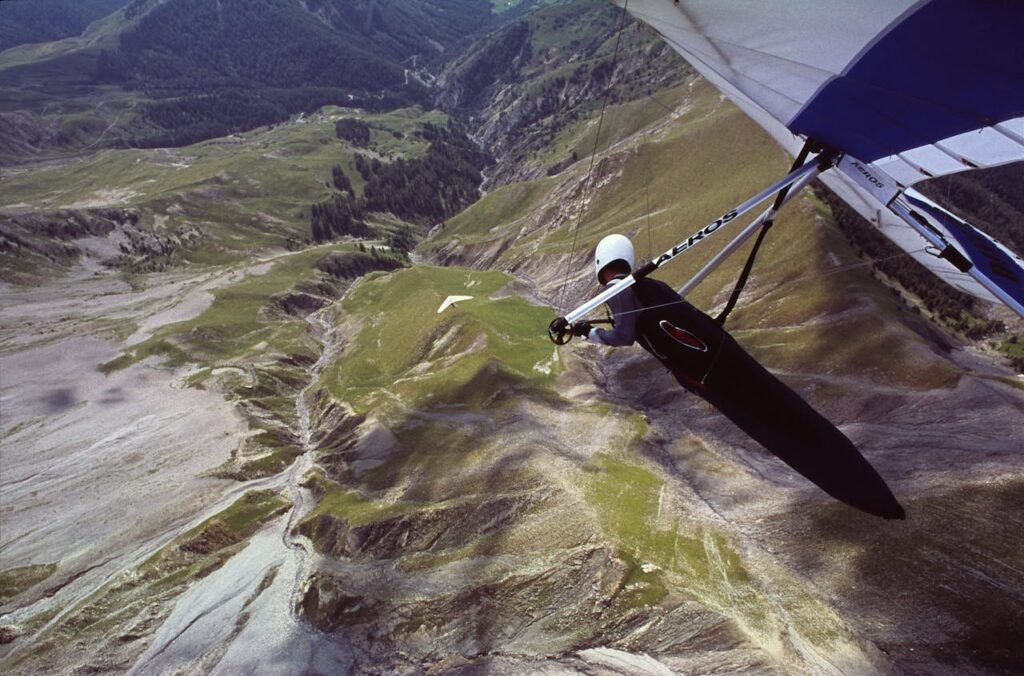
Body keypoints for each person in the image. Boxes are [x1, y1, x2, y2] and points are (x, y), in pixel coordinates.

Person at [572, 234, 905, 519]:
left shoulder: (619, 289)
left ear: (602, 265)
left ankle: (862, 492)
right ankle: (864, 487)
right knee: (786, 410)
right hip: (725, 356)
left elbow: (624, 336)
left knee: (770, 427)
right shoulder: (649, 286)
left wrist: (586, 332)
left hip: (710, 375)